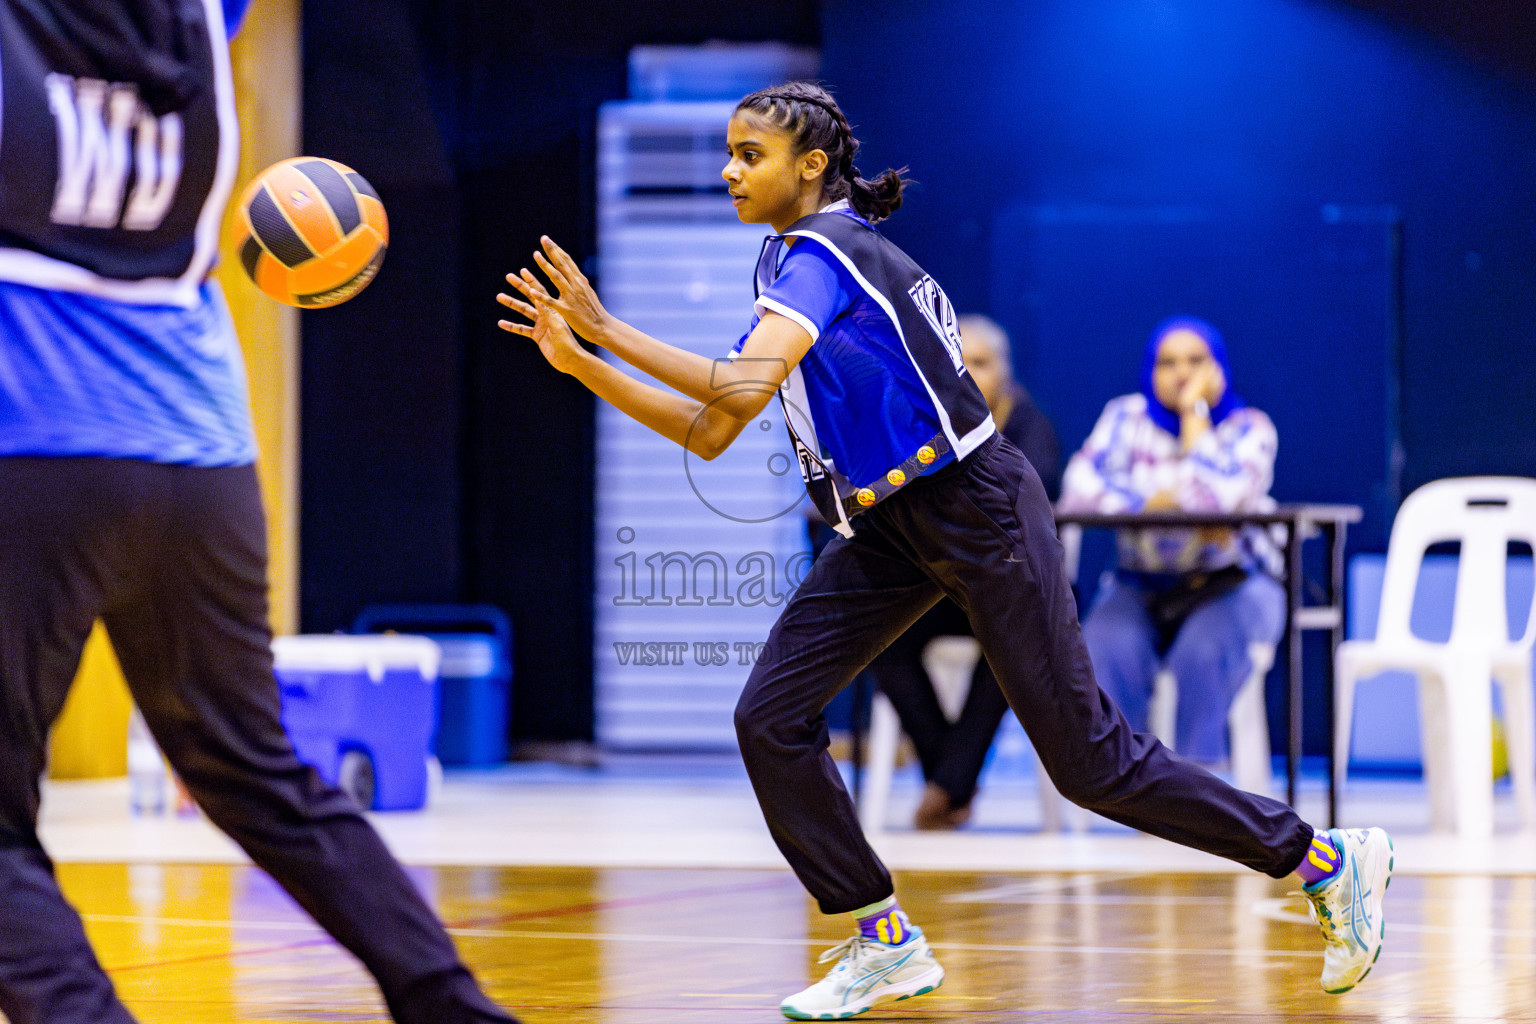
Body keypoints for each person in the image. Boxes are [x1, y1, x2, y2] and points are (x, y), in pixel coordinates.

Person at [498, 81, 1392, 1020]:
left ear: (810, 167)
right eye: (727, 151)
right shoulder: (794, 258)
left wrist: (605, 327)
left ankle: (1325, 860)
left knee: (1092, 766)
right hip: (890, 524)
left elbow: (737, 389)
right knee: (771, 717)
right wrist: (583, 364)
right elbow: (715, 429)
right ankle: (881, 939)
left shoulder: (824, 251)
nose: (728, 169)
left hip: (976, 509)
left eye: (747, 154)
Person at [0, 3, 518, 1022]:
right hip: (200, 455)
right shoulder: (195, 13)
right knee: (257, 771)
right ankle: (454, 1005)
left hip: (33, 431)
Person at [1058, 318, 1287, 769]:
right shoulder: (1124, 418)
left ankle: (1201, 795)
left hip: (1232, 584)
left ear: (1218, 367)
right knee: (1104, 646)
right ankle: (1135, 788)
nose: (1182, 373)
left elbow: (1217, 501)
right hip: (1138, 586)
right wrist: (1152, 502)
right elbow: (1078, 488)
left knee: (1201, 656)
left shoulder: (1250, 428)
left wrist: (1194, 419)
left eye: (1195, 361)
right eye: (1167, 363)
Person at [864, 314, 1061, 829]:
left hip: (1013, 587)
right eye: (960, 363)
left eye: (982, 363)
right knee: (876, 634)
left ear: (1006, 373)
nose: (970, 375)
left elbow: (1013, 505)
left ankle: (949, 785)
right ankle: (950, 780)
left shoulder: (1029, 427)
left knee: (1013, 637)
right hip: (937, 586)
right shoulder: (917, 421)